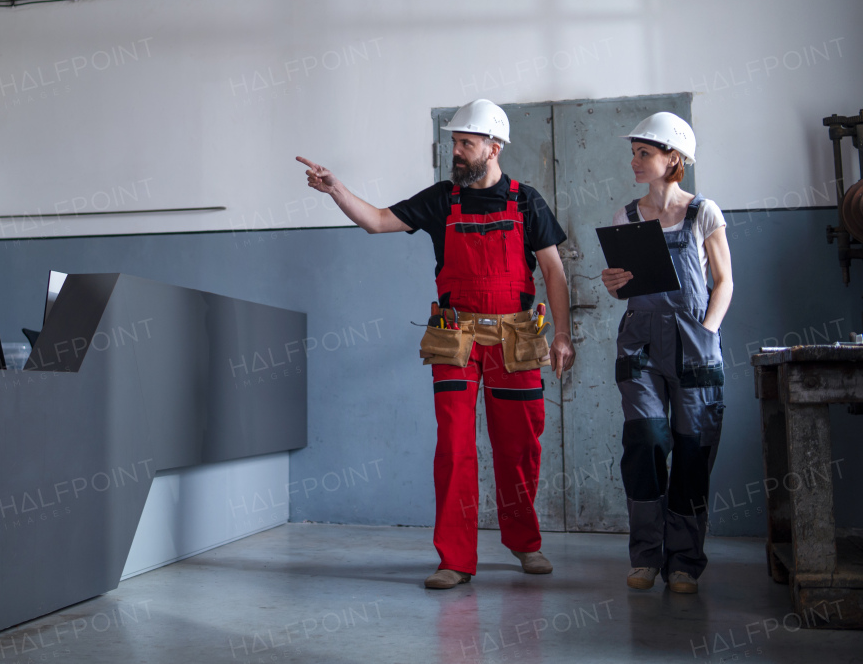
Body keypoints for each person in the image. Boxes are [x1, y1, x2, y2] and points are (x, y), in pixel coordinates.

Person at [298, 98, 575, 590]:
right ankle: (455, 558)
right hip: (455, 336)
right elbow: (378, 220)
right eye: (454, 143)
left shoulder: (526, 200)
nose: (457, 152)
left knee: (519, 445)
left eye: (466, 143)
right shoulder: (442, 199)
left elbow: (553, 270)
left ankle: (524, 542)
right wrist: (336, 190)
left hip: (516, 337)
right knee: (453, 447)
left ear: (494, 147)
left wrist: (563, 335)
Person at [600, 112, 733, 594]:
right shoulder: (627, 218)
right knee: (646, 444)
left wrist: (707, 334)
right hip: (640, 344)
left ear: (672, 158)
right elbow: (623, 288)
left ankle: (684, 561)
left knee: (693, 452)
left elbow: (724, 282)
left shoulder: (703, 213)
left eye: (644, 153)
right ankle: (646, 557)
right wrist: (612, 283)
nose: (634, 161)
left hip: (694, 341)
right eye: (634, 153)